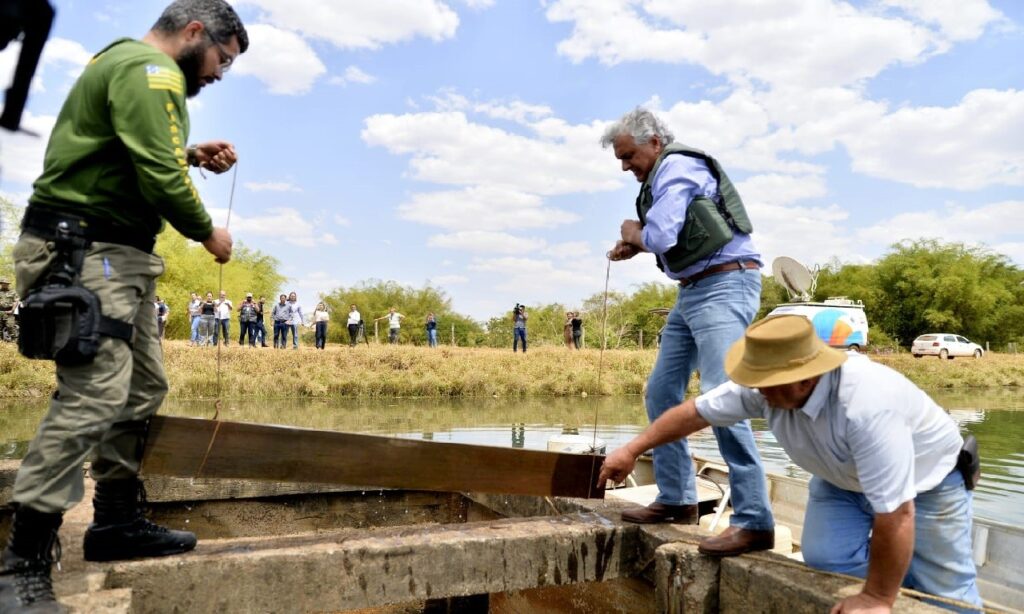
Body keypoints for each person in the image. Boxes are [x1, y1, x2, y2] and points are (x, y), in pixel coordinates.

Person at [0, 2, 247, 611]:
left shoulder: (122, 63)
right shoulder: (152, 72)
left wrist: (188, 154)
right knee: (95, 394)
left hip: (116, 254)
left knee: (141, 386)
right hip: (86, 250)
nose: (220, 73)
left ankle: (114, 522)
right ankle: (22, 565)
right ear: (195, 33)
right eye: (223, 59)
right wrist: (206, 231)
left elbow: (130, 153)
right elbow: (157, 175)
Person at [600, 315, 981, 612]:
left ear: (807, 376)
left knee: (945, 589)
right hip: (840, 480)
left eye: (768, 383)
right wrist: (632, 449)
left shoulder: (866, 405)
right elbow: (694, 414)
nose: (758, 391)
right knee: (826, 558)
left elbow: (896, 513)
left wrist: (878, 597)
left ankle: (900, 591)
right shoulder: (765, 390)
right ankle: (896, 584)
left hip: (927, 481)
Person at [600, 107, 774, 554]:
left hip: (725, 284)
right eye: (620, 159)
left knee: (720, 394)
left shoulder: (677, 166)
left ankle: (755, 519)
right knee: (661, 392)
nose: (625, 166)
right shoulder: (660, 174)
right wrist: (635, 246)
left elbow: (660, 236)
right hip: (693, 290)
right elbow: (671, 239)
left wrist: (635, 232)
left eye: (629, 155)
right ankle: (677, 499)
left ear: (654, 142)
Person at [0, 278, 19, 343]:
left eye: (6, 284)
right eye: (3, 283)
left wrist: (12, 310)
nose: (5, 285)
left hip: (9, 311)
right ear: (1, 284)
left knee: (10, 325)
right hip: (0, 311)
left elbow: (16, 301)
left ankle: (14, 340)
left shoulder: (13, 292)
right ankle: (1, 341)